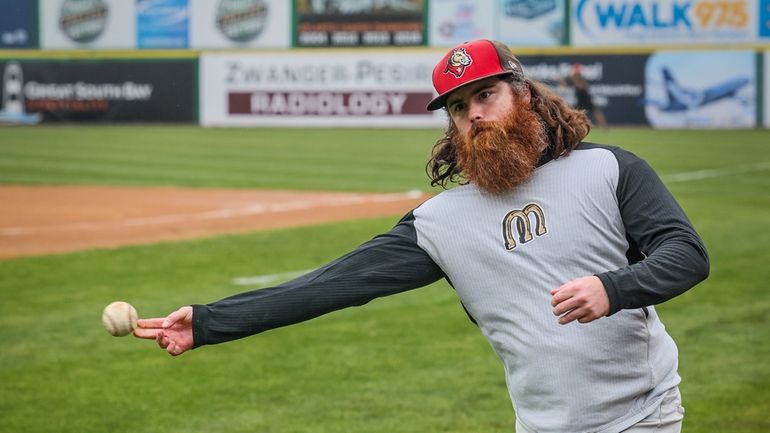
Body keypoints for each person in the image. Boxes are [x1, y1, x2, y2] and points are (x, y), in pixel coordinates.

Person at [134, 39, 709, 433]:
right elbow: (333, 285)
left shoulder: (608, 169)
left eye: (486, 95)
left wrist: (614, 288)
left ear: (522, 95)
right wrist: (209, 322)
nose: (474, 114)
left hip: (642, 414)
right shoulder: (442, 221)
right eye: (459, 107)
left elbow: (685, 254)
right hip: (541, 423)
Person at [560, 63, 609, 128]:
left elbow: (583, 86)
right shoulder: (571, 79)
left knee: (596, 111)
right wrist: (561, 83)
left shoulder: (581, 79)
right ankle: (573, 125)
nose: (575, 73)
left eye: (576, 72)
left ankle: (604, 125)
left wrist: (574, 83)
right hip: (579, 99)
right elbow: (564, 86)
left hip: (587, 99)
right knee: (574, 113)